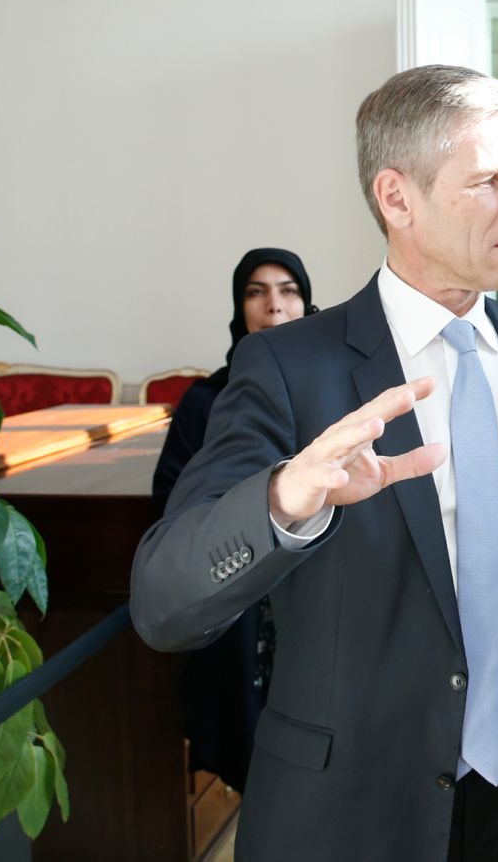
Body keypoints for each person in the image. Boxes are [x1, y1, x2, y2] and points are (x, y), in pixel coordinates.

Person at [130, 64, 498, 862]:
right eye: (488, 181)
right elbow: (164, 601)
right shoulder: (290, 368)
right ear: (398, 198)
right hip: (352, 811)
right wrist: (285, 501)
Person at [150, 248, 315, 793]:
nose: (274, 305)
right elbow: (176, 510)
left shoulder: (338, 391)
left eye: (289, 289)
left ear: (307, 301)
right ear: (239, 307)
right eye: (256, 291)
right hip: (245, 607)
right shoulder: (207, 401)